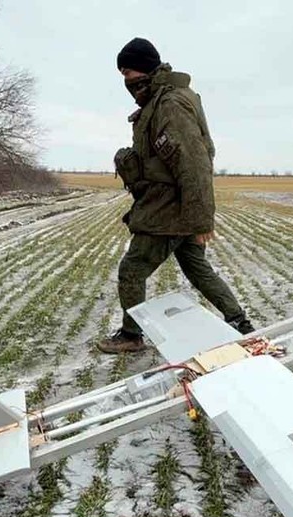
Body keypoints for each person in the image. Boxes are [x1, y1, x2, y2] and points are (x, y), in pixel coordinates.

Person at [97, 37, 254, 354]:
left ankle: (131, 335)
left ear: (141, 68)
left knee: (133, 269)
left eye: (127, 72)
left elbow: (193, 164)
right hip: (176, 206)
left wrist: (200, 220)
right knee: (197, 268)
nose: (125, 81)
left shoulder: (168, 104)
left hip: (169, 209)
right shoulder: (162, 100)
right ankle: (240, 323)